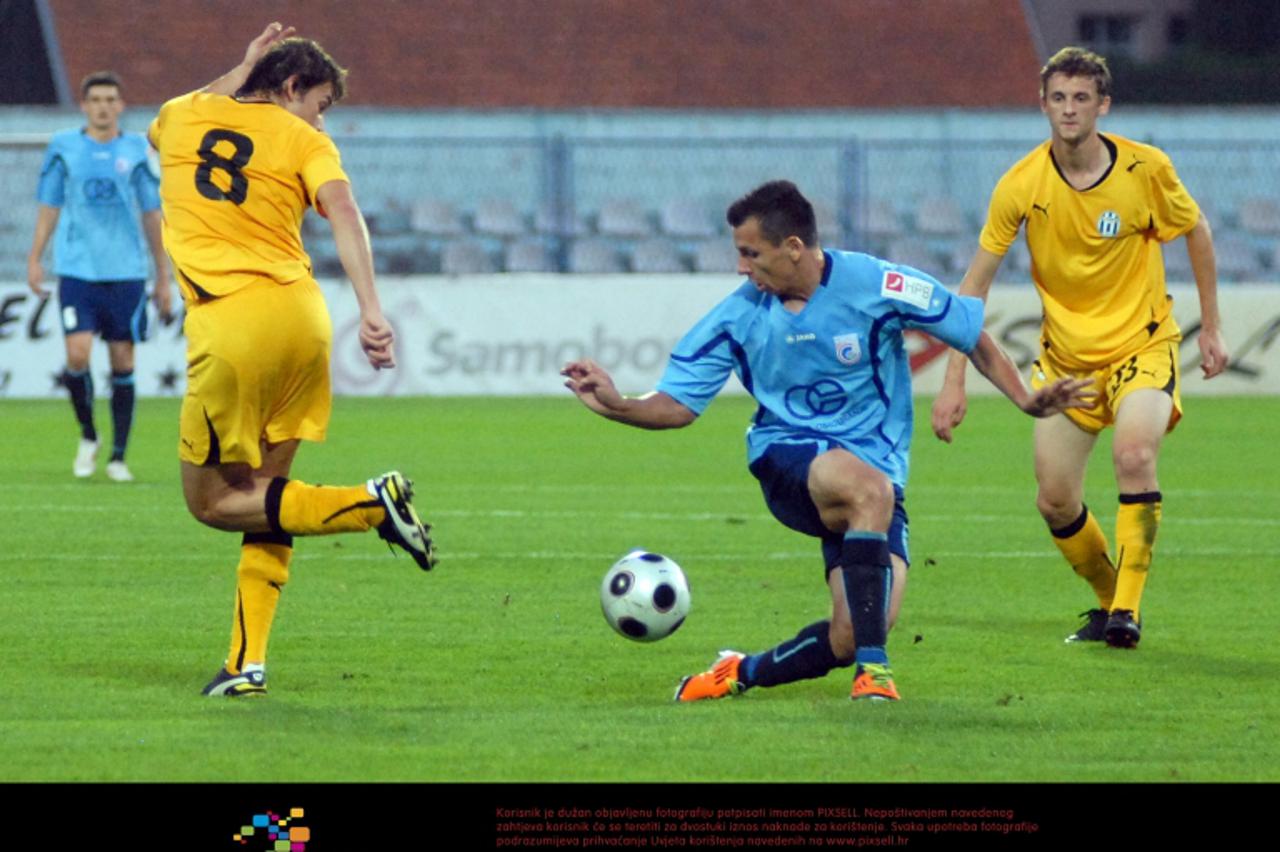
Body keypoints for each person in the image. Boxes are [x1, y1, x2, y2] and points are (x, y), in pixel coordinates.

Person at [563, 180, 1091, 702]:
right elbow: (678, 405)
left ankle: (737, 672)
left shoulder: (876, 284)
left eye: (751, 253)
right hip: (786, 456)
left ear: (793, 247)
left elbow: (967, 330)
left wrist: (1025, 399)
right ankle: (876, 673)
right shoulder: (739, 314)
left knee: (854, 630)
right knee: (871, 501)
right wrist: (618, 404)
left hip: (872, 472)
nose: (742, 268)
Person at [148, 23, 437, 697]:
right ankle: (246, 663)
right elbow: (342, 207)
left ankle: (372, 506)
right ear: (290, 87)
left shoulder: (181, 114)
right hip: (301, 321)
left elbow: (167, 127)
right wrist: (369, 308)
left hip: (232, 325)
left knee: (215, 503)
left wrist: (238, 68)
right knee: (269, 501)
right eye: (321, 102)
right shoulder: (306, 140)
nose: (322, 118)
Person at [930, 47, 1230, 649]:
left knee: (1135, 455)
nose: (1069, 110)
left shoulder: (1145, 170)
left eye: (1081, 98)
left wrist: (1213, 326)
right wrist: (954, 379)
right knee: (1054, 500)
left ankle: (1127, 615)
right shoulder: (1021, 184)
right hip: (1067, 365)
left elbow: (1195, 229)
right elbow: (973, 289)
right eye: (1058, 98)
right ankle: (1109, 603)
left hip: (1142, 348)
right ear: (1043, 104)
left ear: (1103, 105)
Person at [28, 71, 172, 482]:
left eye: (111, 99)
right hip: (76, 269)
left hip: (126, 271)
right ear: (84, 106)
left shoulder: (138, 149)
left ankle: (118, 456)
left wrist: (162, 277)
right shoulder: (64, 147)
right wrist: (35, 257)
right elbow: (49, 204)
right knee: (77, 355)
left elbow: (151, 214)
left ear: (121, 106)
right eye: (96, 100)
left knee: (123, 360)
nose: (104, 106)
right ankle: (89, 434)